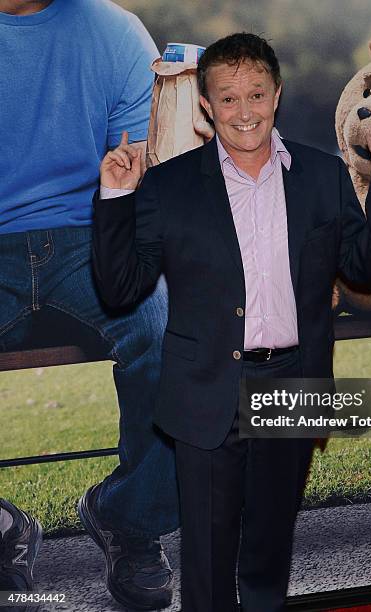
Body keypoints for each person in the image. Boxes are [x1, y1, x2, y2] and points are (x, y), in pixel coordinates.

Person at [92, 32, 371, 612]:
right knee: (209, 566)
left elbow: (364, 268)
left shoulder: (323, 176)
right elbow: (121, 288)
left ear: (277, 96)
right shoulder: (168, 187)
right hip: (205, 388)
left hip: (294, 384)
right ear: (206, 105)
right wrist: (116, 198)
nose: (244, 112)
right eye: (228, 98)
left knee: (268, 553)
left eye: (256, 95)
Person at [0, 1, 179, 610]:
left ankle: (131, 523)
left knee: (167, 330)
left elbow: (141, 180)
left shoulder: (116, 32)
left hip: (92, 235)